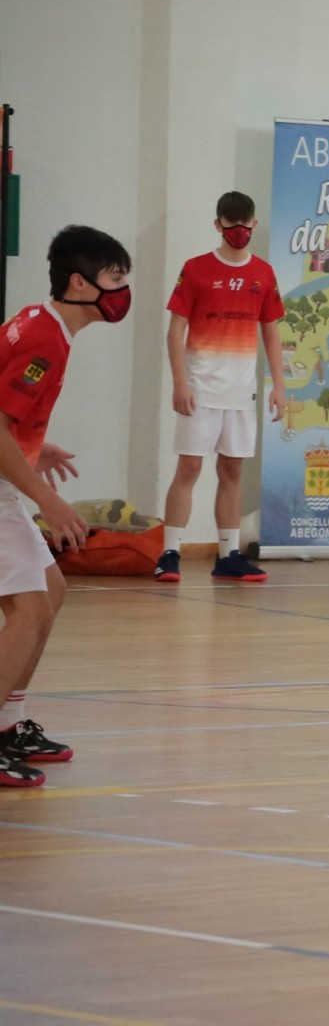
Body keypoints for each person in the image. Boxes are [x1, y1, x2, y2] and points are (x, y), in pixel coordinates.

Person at [0, 226, 132, 786]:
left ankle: (10, 724)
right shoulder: (45, 340)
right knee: (29, 610)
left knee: (50, 592)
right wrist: (49, 500)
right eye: (115, 279)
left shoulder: (40, 322)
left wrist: (35, 445)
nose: (123, 291)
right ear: (80, 283)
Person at [156, 191, 286, 583]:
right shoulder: (195, 269)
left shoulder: (264, 273)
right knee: (189, 467)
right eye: (232, 226)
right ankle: (170, 553)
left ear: (254, 224)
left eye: (245, 225)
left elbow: (272, 332)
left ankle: (228, 555)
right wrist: (180, 382)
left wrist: (279, 385)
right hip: (199, 390)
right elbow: (176, 329)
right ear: (218, 225)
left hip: (241, 393)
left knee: (232, 470)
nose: (239, 232)